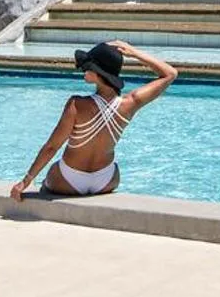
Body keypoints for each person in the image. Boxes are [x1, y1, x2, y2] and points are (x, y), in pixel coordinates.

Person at [10, 38, 177, 200]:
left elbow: (51, 147)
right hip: (106, 180)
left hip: (68, 181)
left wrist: (25, 181)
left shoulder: (76, 104)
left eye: (87, 67)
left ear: (97, 73)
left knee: (50, 177)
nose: (83, 69)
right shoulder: (130, 103)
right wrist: (134, 53)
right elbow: (170, 74)